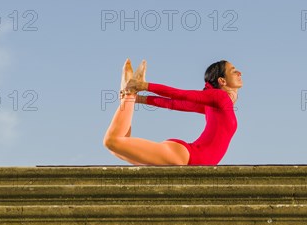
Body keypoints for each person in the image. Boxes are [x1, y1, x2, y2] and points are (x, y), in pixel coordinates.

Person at [103, 59, 243, 165]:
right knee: (113, 142)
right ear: (222, 81)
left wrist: (141, 99)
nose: (239, 72)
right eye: (233, 70)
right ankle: (129, 94)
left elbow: (174, 104)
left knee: (117, 149)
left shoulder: (218, 106)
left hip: (188, 158)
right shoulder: (220, 97)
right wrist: (144, 86)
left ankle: (129, 95)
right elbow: (180, 94)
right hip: (187, 156)